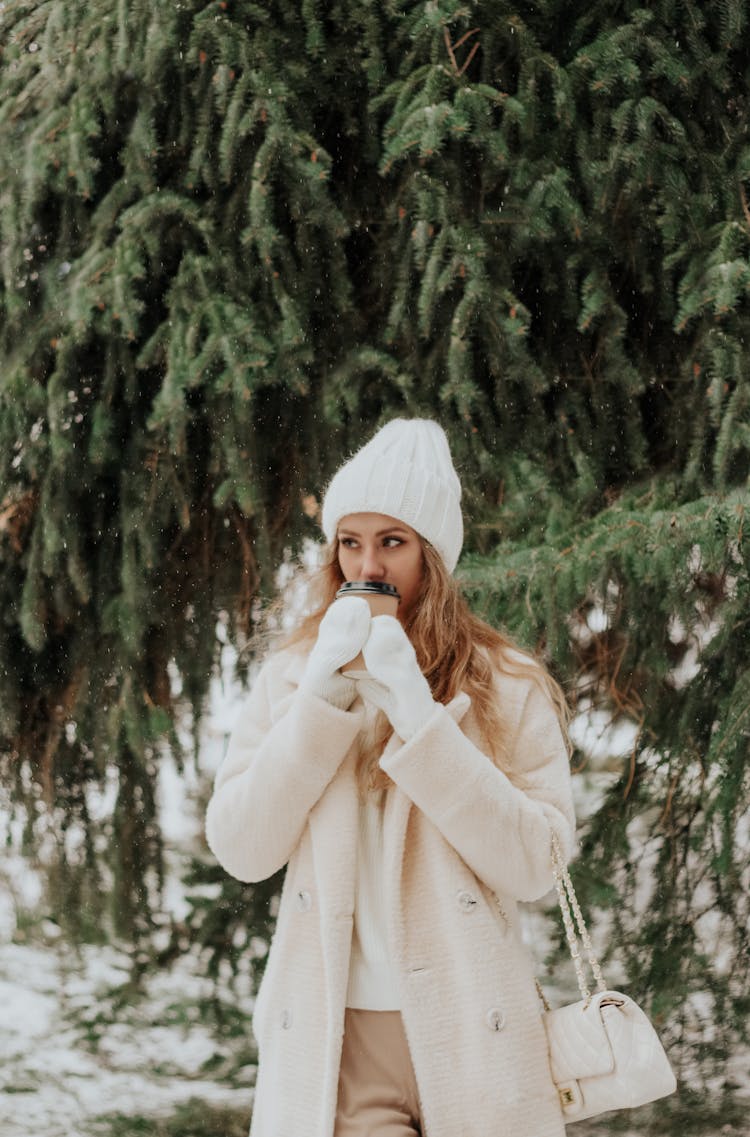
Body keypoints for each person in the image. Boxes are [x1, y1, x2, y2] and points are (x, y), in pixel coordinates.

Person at [205, 419, 576, 1137]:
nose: (366, 565)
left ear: (432, 555)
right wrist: (320, 701)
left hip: (478, 1026)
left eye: (392, 541)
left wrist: (420, 716)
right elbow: (242, 847)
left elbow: (539, 864)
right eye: (350, 541)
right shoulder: (292, 678)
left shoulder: (509, 685)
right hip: (338, 1042)